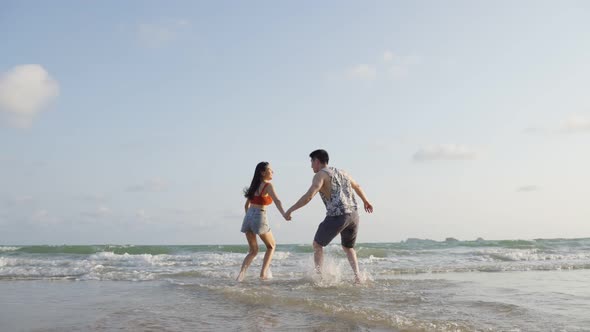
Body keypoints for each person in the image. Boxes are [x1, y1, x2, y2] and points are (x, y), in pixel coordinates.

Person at [285, 149, 373, 283]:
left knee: (317, 244)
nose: (311, 166)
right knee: (348, 247)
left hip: (338, 215)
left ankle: (319, 277)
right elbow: (357, 186)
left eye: (311, 162)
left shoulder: (320, 174)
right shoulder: (343, 172)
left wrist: (290, 210)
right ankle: (358, 277)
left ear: (317, 161)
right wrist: (366, 201)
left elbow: (309, 196)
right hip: (354, 215)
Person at [237, 161, 290, 281]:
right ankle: (263, 274)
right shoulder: (268, 185)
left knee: (253, 251)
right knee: (271, 246)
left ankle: (240, 276)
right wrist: (284, 214)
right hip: (259, 216)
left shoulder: (253, 186)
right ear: (263, 172)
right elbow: (277, 200)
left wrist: (249, 219)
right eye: (270, 170)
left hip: (248, 217)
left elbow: (246, 206)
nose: (272, 172)